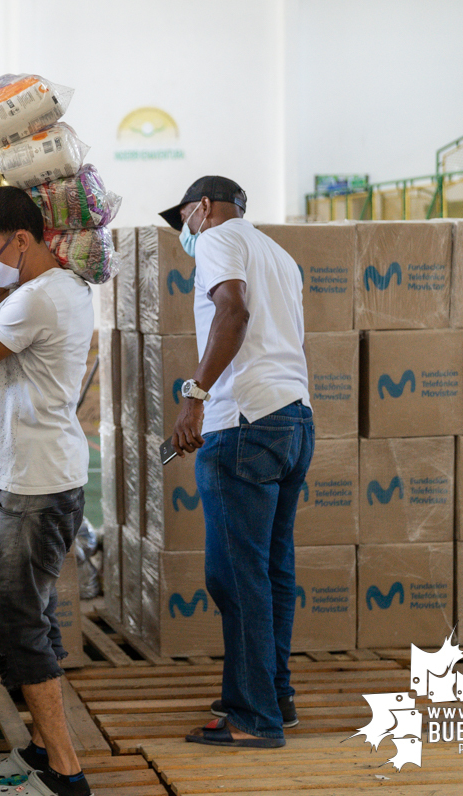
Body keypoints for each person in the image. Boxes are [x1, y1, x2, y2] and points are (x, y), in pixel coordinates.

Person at [163, 175, 314, 749]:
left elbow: (233, 313)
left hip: (244, 423)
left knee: (235, 574)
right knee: (271, 570)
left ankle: (252, 718)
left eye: (184, 220)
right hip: (293, 419)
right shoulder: (279, 254)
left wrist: (194, 396)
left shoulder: (219, 238)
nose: (186, 233)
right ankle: (273, 696)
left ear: (202, 208)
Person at [0, 187, 94, 796]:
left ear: (23, 239)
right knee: (29, 614)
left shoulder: (36, 301)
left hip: (38, 483)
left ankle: (66, 774)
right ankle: (42, 750)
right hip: (42, 476)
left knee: (16, 622)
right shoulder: (56, 289)